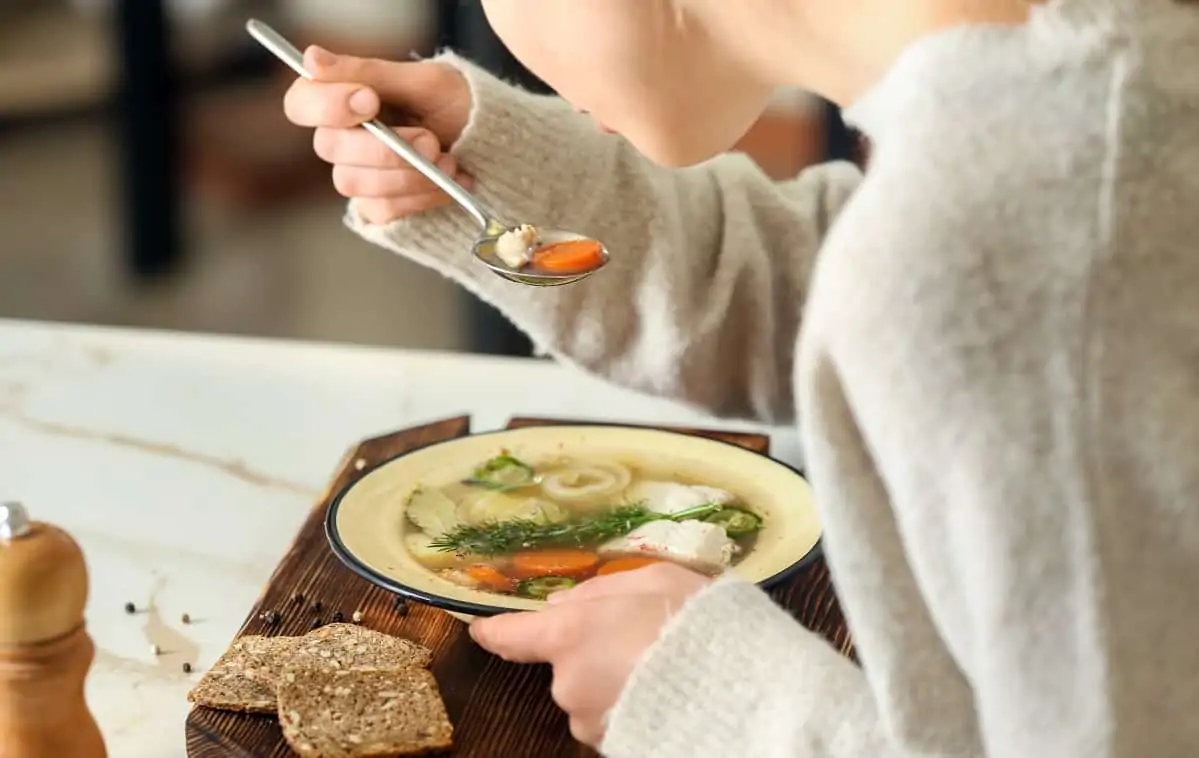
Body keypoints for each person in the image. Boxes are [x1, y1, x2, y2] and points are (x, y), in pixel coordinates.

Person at [281, 0, 1199, 755]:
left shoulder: (1000, 244)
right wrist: (509, 179)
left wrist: (719, 701)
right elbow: (844, 297)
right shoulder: (1090, 98)